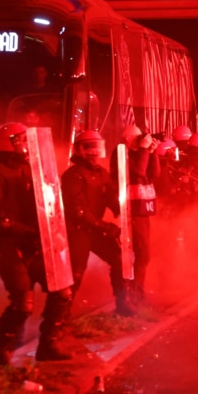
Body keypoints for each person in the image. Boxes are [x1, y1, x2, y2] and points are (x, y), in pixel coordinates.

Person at [0, 122, 74, 368]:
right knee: (22, 303)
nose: (24, 145)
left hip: (35, 241)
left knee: (62, 290)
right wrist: (32, 230)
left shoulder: (31, 168)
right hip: (9, 245)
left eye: (26, 140)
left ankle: (49, 344)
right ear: (6, 143)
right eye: (19, 140)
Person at [62, 131, 131, 316]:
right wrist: (105, 226)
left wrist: (122, 208)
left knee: (118, 259)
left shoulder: (102, 173)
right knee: (75, 274)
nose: (93, 152)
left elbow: (110, 197)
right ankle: (60, 319)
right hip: (77, 231)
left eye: (96, 146)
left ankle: (122, 305)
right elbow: (78, 211)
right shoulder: (73, 175)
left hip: (94, 229)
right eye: (88, 146)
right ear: (79, 149)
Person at [115, 125, 159, 304]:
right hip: (131, 211)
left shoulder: (142, 153)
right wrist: (143, 149)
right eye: (138, 137)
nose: (142, 138)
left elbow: (154, 174)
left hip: (143, 209)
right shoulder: (121, 154)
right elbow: (138, 171)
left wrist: (152, 152)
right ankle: (134, 293)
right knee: (142, 252)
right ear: (127, 139)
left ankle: (137, 292)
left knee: (144, 253)